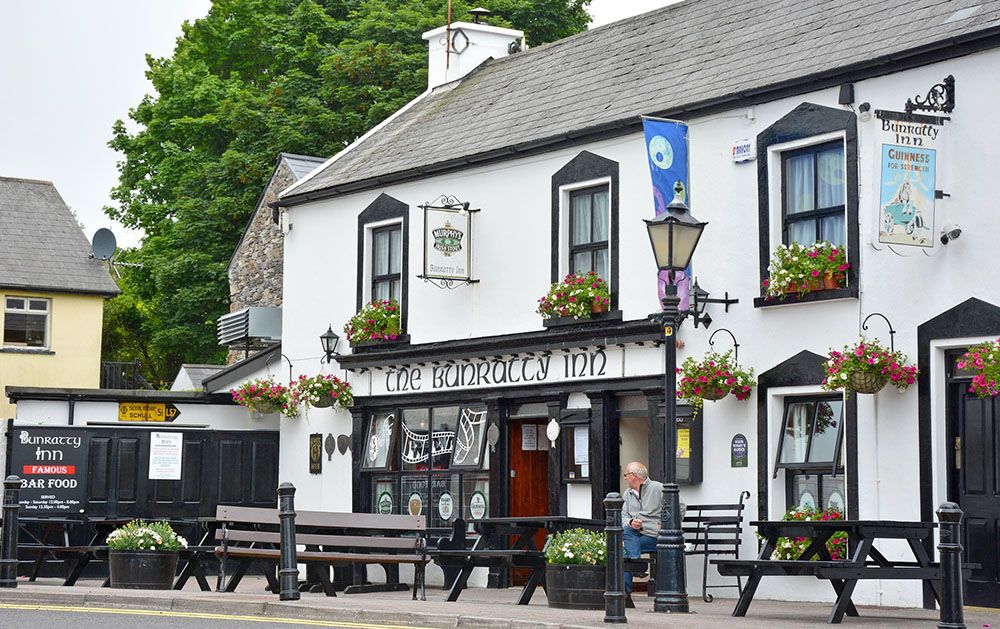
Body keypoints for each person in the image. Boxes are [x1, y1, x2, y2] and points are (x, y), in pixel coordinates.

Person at [621, 461, 685, 594]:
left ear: (633, 476)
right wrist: (631, 521)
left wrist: (668, 524)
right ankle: (635, 562)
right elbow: (623, 517)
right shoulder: (627, 493)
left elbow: (681, 506)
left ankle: (624, 591)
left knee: (624, 550)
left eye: (626, 475)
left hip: (655, 535)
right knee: (626, 534)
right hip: (635, 534)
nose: (625, 478)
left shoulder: (657, 488)